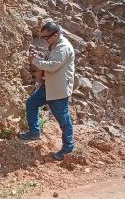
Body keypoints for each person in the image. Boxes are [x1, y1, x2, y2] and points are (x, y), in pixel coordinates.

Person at [19, 21, 75, 161]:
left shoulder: (63, 47)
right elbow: (51, 60)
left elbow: (53, 66)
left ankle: (68, 149)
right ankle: (34, 132)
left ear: (55, 35)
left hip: (58, 90)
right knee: (31, 103)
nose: (44, 40)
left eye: (46, 37)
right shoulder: (55, 44)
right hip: (48, 86)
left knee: (63, 120)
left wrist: (34, 61)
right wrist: (39, 56)